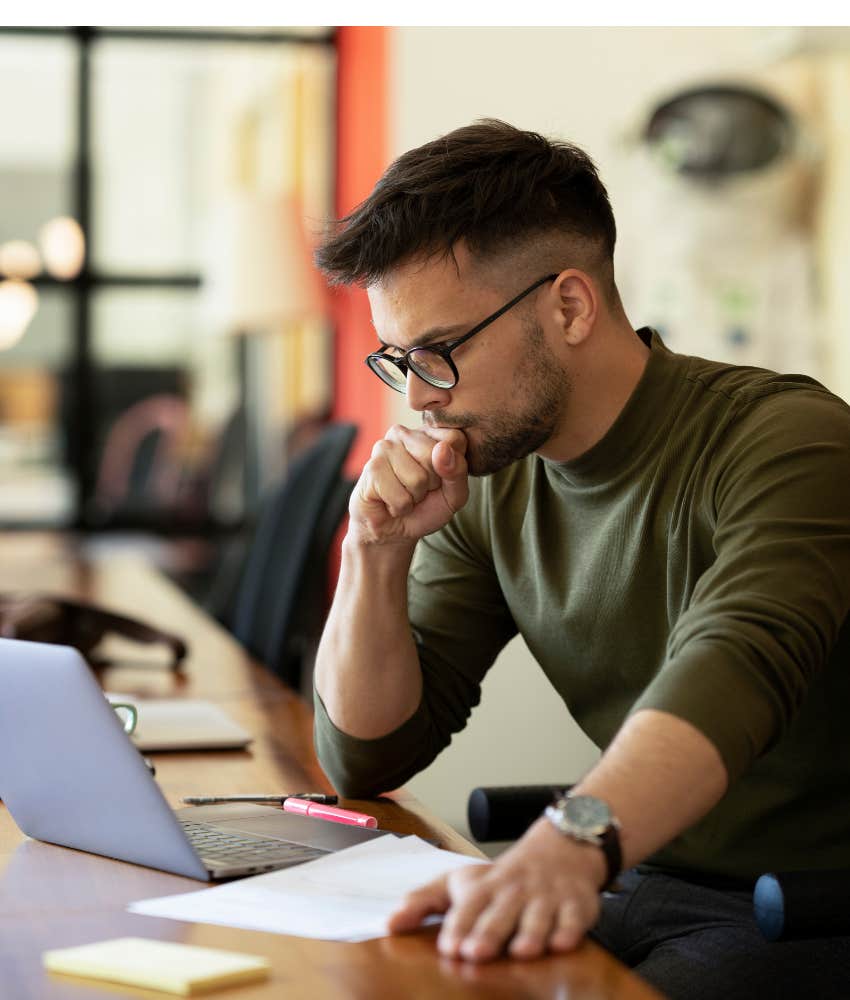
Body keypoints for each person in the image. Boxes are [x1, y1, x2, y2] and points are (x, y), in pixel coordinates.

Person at [311, 119, 850, 999]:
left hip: (797, 910)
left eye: (439, 353)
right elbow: (365, 756)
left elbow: (729, 671)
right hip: (629, 877)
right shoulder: (489, 474)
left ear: (569, 306)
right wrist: (374, 552)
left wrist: (566, 843)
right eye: (398, 360)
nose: (417, 398)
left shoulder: (788, 443)